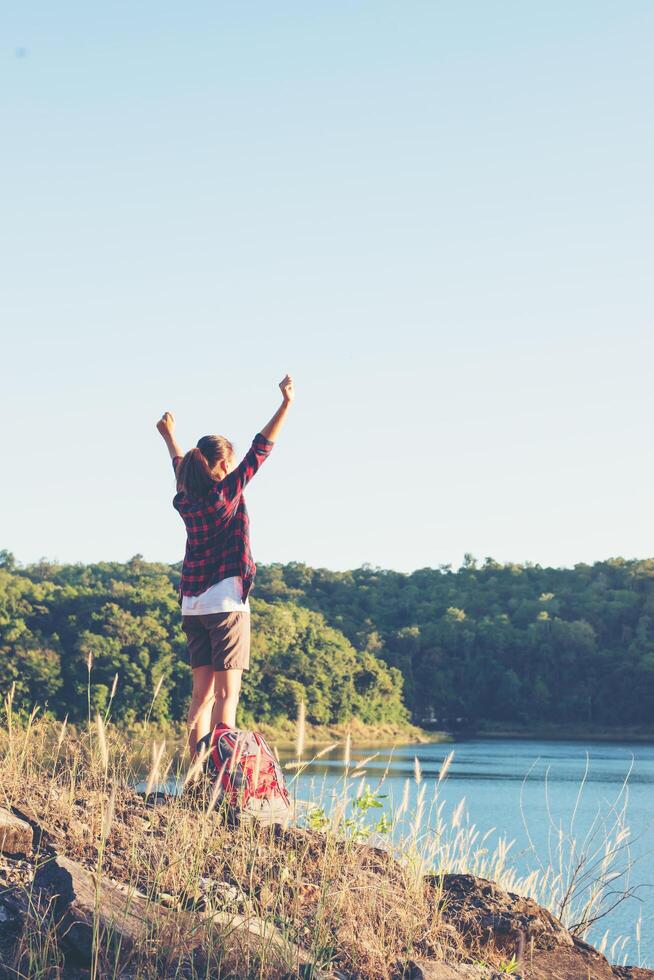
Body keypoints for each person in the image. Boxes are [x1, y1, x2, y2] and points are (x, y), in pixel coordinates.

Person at [156, 375, 294, 757]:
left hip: (192, 606)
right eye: (230, 464)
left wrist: (169, 437)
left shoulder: (186, 498)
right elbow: (261, 450)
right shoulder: (224, 493)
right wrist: (285, 404)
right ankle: (222, 778)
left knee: (200, 694)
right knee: (226, 695)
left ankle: (197, 773)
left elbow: (182, 468)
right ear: (221, 466)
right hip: (226, 604)